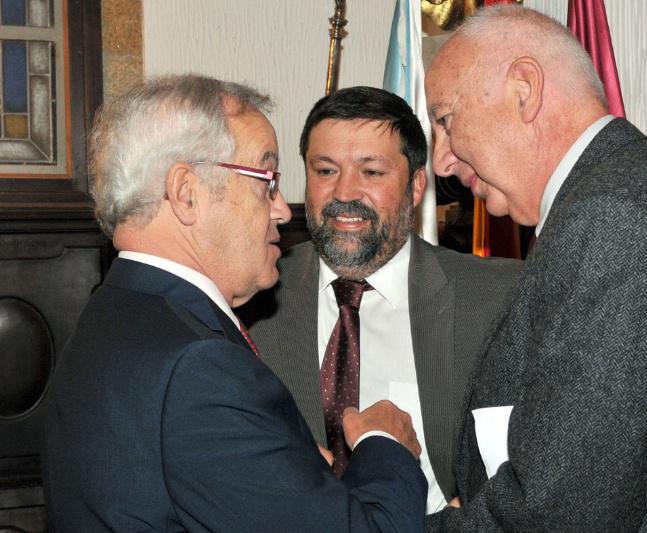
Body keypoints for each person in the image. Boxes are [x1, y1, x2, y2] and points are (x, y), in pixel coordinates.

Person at [423, 6, 647, 531]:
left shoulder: (616, 222)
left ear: (524, 89)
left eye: (445, 120)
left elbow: (556, 516)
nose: (442, 161)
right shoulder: (631, 194)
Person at [43, 74, 427, 532]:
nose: (284, 209)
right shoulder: (197, 367)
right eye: (266, 179)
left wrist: (292, 474)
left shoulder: (114, 311)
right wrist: (386, 445)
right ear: (186, 192)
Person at [242, 86, 522, 514]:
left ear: (415, 187)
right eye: (325, 171)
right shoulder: (250, 299)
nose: (345, 193)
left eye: (371, 173)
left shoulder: (496, 299)